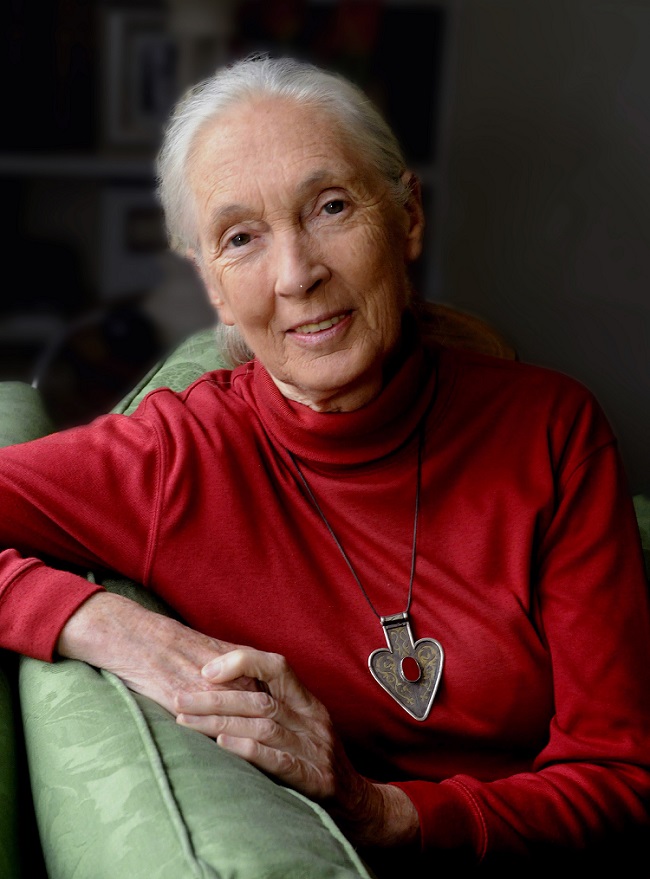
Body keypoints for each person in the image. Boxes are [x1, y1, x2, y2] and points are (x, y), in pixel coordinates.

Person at [0, 54, 649, 873]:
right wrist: (95, 620)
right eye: (241, 238)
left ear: (407, 216)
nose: (297, 274)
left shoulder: (552, 429)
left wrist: (388, 812)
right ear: (212, 285)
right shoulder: (176, 459)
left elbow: (620, 774)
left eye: (332, 206)